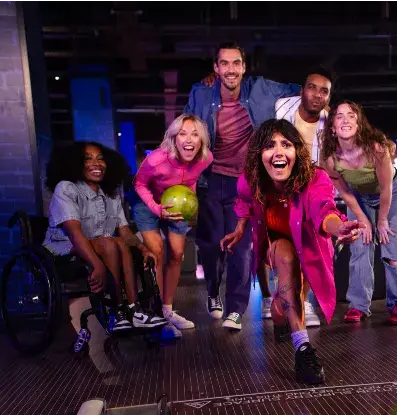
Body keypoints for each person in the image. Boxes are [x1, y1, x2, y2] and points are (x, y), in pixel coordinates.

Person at [220, 119, 361, 384]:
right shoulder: (250, 180)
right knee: (286, 261)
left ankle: (278, 313)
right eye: (269, 146)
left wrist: (339, 227)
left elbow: (325, 210)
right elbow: (244, 202)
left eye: (286, 144)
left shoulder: (315, 178)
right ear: (259, 155)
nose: (278, 152)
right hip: (276, 241)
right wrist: (240, 228)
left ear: (296, 152)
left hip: (307, 244)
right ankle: (303, 349)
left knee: (288, 299)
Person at [185, 42, 301, 330]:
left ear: (244, 67)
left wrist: (323, 105)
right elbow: (185, 128)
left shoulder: (260, 88)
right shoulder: (201, 93)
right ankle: (213, 291)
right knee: (211, 246)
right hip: (210, 180)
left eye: (236, 63)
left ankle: (235, 310)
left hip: (246, 183)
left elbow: (298, 90)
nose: (231, 69)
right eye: (224, 64)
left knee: (241, 249)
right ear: (216, 68)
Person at [42, 142, 167, 332]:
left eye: (100, 158)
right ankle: (115, 311)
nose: (96, 163)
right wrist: (98, 266)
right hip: (64, 249)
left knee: (117, 241)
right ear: (76, 163)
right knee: (110, 243)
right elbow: (74, 233)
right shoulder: (66, 188)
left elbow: (124, 231)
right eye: (88, 158)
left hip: (103, 246)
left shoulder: (111, 193)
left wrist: (144, 249)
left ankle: (133, 310)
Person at [321, 101, 397, 325]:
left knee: (391, 242)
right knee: (360, 245)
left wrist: (381, 220)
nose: (345, 120)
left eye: (351, 115)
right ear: (333, 126)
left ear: (359, 124)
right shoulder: (331, 159)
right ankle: (359, 305)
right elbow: (345, 192)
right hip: (359, 199)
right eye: (339, 116)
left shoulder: (376, 149)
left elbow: (386, 189)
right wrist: (363, 220)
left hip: (393, 196)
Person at [255, 67, 334, 327]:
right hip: (274, 183)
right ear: (301, 90)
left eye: (324, 91)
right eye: (312, 87)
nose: (317, 95)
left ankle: (303, 299)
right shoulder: (280, 107)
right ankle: (269, 296)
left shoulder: (330, 123)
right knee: (265, 240)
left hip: (306, 188)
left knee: (309, 242)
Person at [132, 114, 213, 331]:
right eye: (182, 134)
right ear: (174, 138)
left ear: (202, 140)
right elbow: (139, 184)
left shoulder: (206, 158)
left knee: (177, 254)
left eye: (195, 134)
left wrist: (191, 205)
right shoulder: (157, 159)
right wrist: (156, 208)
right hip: (148, 203)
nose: (189, 140)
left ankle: (168, 310)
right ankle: (156, 311)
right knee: (157, 250)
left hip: (177, 206)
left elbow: (191, 180)